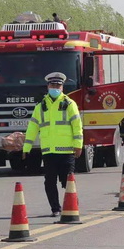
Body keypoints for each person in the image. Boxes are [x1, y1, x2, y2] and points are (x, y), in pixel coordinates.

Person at [23, 72, 83, 217]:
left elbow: (77, 125)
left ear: (62, 87)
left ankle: (73, 206)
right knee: (49, 182)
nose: (55, 87)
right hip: (49, 152)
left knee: (67, 182)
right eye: (52, 85)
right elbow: (32, 128)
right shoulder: (41, 106)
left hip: (67, 151)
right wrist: (26, 148)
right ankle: (55, 208)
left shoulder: (69, 104)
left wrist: (78, 145)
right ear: (48, 86)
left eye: (58, 85)